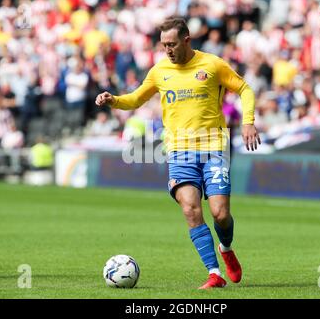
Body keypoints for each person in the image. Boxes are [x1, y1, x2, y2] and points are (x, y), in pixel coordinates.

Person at [95, 18, 260, 289]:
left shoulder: (212, 65)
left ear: (186, 39)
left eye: (172, 44)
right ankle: (214, 273)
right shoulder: (160, 71)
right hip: (180, 151)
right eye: (164, 45)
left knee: (220, 213)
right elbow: (136, 99)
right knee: (191, 210)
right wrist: (114, 100)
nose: (167, 50)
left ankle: (226, 247)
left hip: (213, 147)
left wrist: (248, 122)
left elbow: (244, 89)